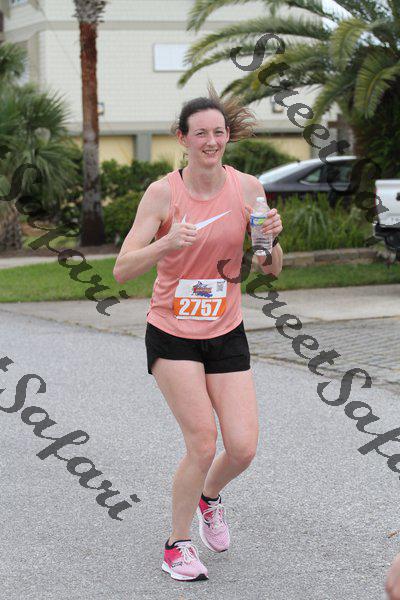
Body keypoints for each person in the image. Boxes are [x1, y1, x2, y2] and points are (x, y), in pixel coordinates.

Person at [113, 83, 283, 582]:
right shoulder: (163, 192)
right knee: (203, 442)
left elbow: (270, 268)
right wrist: (165, 243)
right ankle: (177, 545)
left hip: (226, 329)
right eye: (201, 133)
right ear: (182, 138)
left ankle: (210, 497)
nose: (211, 141)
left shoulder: (248, 188)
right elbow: (122, 269)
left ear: (227, 136)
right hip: (172, 331)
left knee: (243, 447)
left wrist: (271, 242)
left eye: (219, 132)